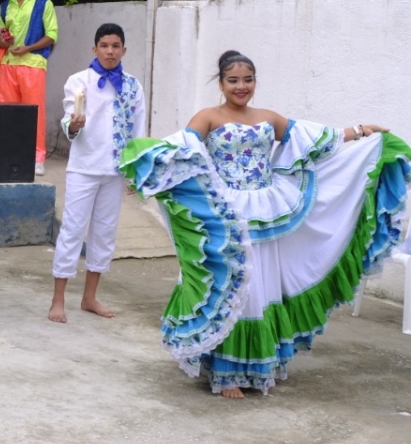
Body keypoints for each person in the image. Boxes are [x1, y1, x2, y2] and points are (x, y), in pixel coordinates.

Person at [120, 50, 411, 399]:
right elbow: (179, 150)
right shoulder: (207, 117)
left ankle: (257, 362)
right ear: (221, 83)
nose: (241, 86)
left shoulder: (268, 118)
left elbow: (318, 140)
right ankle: (226, 372)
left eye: (248, 79)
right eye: (233, 80)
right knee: (231, 281)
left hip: (268, 207)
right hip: (227, 211)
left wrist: (362, 131)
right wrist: (145, 172)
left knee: (261, 285)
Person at [48, 23, 146, 324]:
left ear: (124, 50)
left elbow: (138, 129)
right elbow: (69, 119)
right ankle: (58, 298)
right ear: (95, 49)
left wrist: (136, 172)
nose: (110, 51)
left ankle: (90, 297)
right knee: (73, 230)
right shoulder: (79, 81)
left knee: (104, 233)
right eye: (104, 45)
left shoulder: (132, 85)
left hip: (115, 170)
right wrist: (73, 125)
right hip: (85, 167)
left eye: (116, 46)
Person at [0, 0, 58, 176]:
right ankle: (8, 153)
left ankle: (37, 157)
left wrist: (28, 48)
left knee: (34, 112)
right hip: (9, 64)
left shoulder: (44, 3)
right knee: (6, 112)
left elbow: (51, 36)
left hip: (32, 63)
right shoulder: (4, 6)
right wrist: (5, 42)